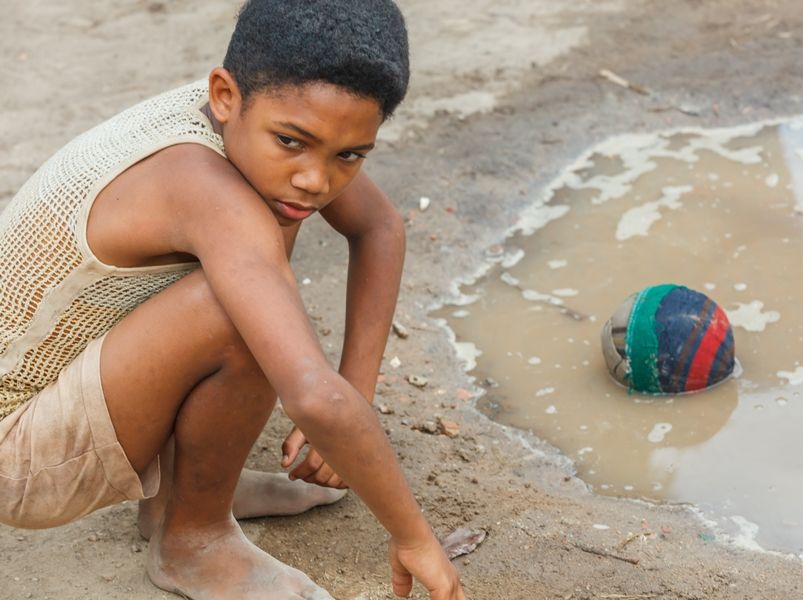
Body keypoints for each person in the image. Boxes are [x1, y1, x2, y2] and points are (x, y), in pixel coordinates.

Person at [0, 0, 465, 598]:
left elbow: (379, 227)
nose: (316, 179)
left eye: (348, 154)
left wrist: (360, 393)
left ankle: (186, 493)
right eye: (294, 142)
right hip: (16, 453)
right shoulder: (199, 183)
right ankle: (193, 542)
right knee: (240, 302)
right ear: (224, 94)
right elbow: (310, 395)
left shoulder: (256, 114)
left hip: (81, 380)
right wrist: (413, 538)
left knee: (267, 232)